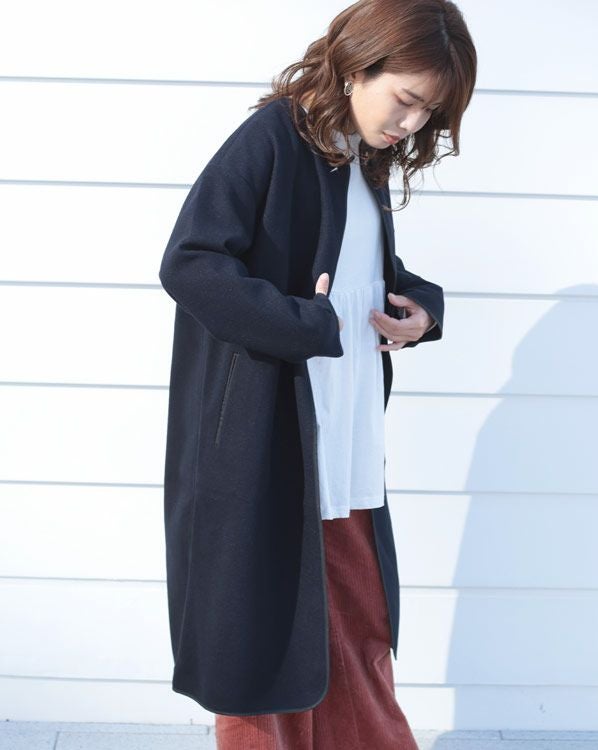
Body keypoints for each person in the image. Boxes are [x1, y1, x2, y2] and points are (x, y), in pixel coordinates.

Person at [157, 0, 477, 747]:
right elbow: (190, 263)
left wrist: (422, 309)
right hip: (267, 439)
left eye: (429, 114)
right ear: (359, 65)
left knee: (357, 625)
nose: (411, 125)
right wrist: (304, 323)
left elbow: (363, 274)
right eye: (406, 100)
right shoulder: (274, 137)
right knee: (259, 638)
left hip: (343, 436)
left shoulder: (361, 160)